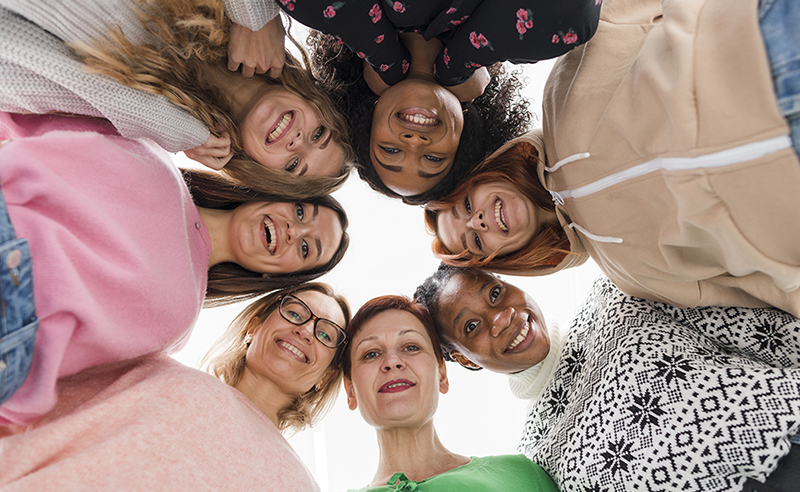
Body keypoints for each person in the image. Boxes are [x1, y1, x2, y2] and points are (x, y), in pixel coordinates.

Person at [425, 0, 800, 317]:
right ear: (499, 258)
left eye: (466, 204)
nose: (477, 221)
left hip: (769, 45)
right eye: (474, 241)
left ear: (483, 175)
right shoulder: (630, 275)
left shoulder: (560, 94)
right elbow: (754, 291)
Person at [0, 111, 349, 425]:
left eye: (306, 247)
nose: (294, 230)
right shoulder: (150, 151)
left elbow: (78, 387)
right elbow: (22, 109)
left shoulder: (177, 322)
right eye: (302, 212)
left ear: (278, 275)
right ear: (277, 192)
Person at [414, 265, 800, 491]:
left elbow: (757, 326)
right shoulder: (538, 454)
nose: (502, 317)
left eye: (495, 292)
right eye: (471, 327)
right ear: (464, 361)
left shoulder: (615, 293)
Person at [0, 282, 350, 490]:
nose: (305, 330)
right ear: (253, 328)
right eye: (296, 312)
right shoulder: (152, 371)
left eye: (325, 335)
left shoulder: (296, 485)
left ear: (323, 379)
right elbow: (28, 408)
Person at [0, 0, 355, 198]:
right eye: (319, 134)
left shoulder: (151, 121)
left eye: (293, 166)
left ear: (257, 168)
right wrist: (257, 16)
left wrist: (179, 129)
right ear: (315, 99)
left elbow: (16, 66)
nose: (297, 143)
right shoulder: (253, 13)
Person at [297, 0, 603, 203]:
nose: (414, 142)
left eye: (390, 150)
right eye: (433, 159)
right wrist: (456, 66)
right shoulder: (521, 40)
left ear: (370, 116)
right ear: (463, 134)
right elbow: (573, 14)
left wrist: (384, 58)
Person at [342, 294, 557, 491]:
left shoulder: (520, 474)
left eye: (410, 347)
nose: (392, 362)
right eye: (371, 354)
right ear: (350, 390)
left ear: (442, 375)